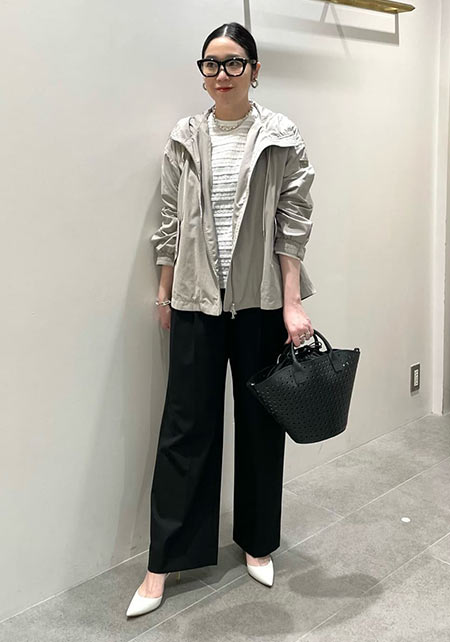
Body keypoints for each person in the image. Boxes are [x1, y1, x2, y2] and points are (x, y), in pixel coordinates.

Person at [126, 21, 316, 618]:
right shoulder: (184, 137)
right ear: (202, 73)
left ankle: (257, 543)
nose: (222, 74)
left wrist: (292, 303)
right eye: (211, 63)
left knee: (260, 425)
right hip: (195, 301)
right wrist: (165, 294)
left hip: (260, 303)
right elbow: (169, 221)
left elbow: (293, 224)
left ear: (255, 70)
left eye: (234, 62)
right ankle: (163, 562)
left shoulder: (280, 136)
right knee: (185, 428)